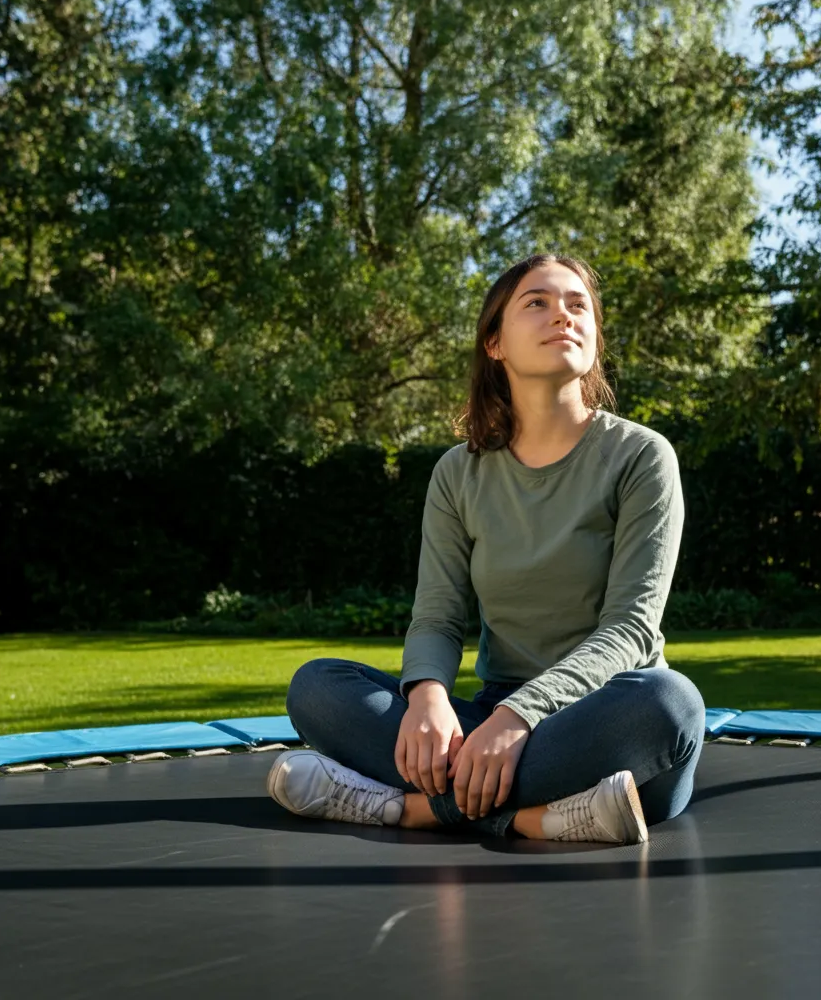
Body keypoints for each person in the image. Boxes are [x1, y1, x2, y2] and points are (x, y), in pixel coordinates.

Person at [266, 253, 706, 844]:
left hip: (604, 721)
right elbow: (437, 616)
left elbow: (629, 630)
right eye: (538, 303)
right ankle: (539, 819)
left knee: (671, 704)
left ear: (595, 339)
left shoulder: (641, 457)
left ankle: (412, 810)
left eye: (579, 305)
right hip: (492, 722)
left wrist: (521, 718)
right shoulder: (458, 473)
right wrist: (426, 698)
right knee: (317, 686)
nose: (564, 315)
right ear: (494, 343)